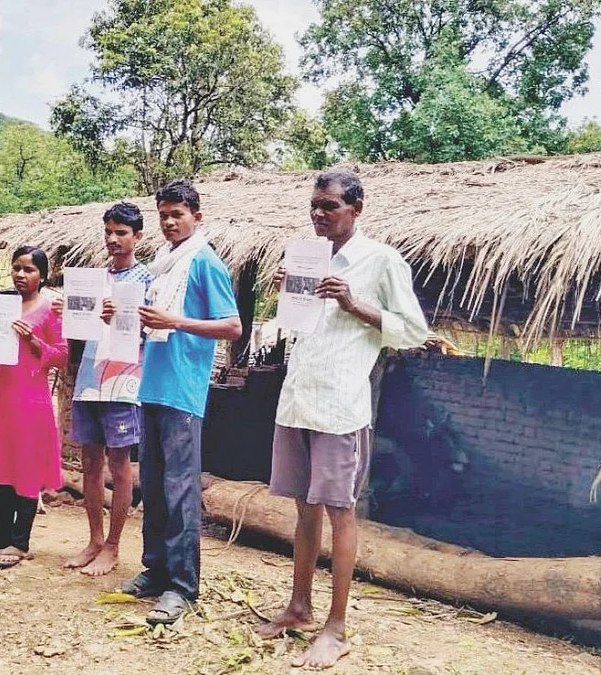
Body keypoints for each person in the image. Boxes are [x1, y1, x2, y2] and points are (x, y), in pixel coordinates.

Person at [255, 170, 428, 669]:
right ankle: (299, 608)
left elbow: (414, 331)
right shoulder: (305, 256)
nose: (318, 214)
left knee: (339, 512)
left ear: (356, 209)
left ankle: (337, 627)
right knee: (304, 510)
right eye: (314, 205)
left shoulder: (381, 260)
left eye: (329, 206)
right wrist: (287, 292)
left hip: (339, 407)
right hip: (298, 400)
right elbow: (295, 327)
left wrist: (354, 304)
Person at [120, 180, 242, 624]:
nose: (170, 222)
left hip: (183, 391)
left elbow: (232, 326)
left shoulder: (205, 261)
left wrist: (175, 321)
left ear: (197, 216)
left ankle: (182, 587)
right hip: (151, 384)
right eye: (164, 215)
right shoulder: (162, 265)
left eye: (178, 214)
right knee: (151, 485)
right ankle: (155, 571)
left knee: (180, 489)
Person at [53, 202, 152, 576]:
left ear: (137, 237)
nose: (113, 239)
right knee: (89, 462)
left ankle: (113, 545)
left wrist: (122, 319)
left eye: (121, 233)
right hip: (89, 379)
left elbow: (152, 331)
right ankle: (94, 539)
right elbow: (80, 332)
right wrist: (71, 313)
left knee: (120, 465)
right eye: (108, 232)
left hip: (125, 379)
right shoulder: (94, 279)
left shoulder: (146, 280)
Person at [0, 246, 67, 568]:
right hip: (1, 399)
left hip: (31, 401)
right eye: (17, 268)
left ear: (43, 276)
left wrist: (34, 340)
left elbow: (62, 356)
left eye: (29, 270)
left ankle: (20, 542)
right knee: (1, 467)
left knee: (26, 468)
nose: (21, 275)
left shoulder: (51, 310)